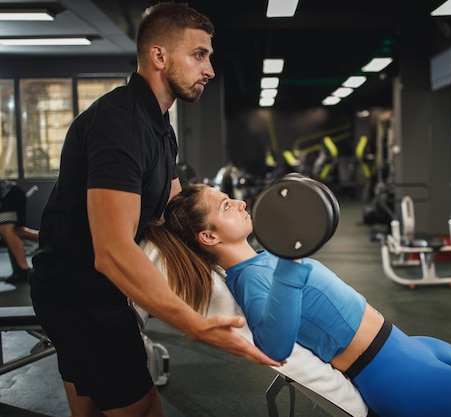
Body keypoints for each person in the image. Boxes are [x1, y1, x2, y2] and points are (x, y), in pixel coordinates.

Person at [29, 3, 280, 417]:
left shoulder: (158, 125)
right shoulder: (121, 125)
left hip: (76, 289)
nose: (210, 69)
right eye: (199, 54)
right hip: (81, 297)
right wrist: (192, 323)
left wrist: (241, 260)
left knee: (90, 411)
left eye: (210, 56)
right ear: (159, 56)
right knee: (145, 410)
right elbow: (112, 251)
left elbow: (174, 212)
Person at [143, 183, 451, 417]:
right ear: (209, 237)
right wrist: (292, 264)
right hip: (396, 374)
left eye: (233, 199)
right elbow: (274, 346)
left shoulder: (263, 259)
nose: (241, 203)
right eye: (226, 206)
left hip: (408, 348)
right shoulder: (252, 280)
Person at [0, 179, 39, 284]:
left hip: (10, 194)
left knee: (5, 229)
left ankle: (24, 270)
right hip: (12, 194)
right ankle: (46, 236)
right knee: (14, 231)